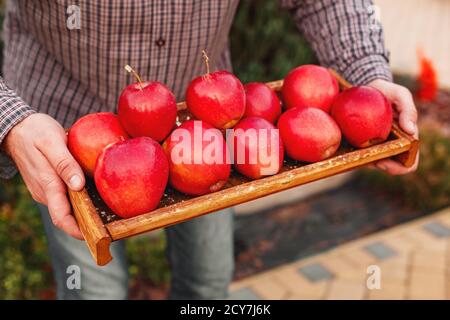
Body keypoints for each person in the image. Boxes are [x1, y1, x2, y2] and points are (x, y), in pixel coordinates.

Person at [0, 0, 418, 299]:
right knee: (94, 291)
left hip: (208, 134)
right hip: (62, 132)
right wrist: (10, 120)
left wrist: (367, 72)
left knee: (208, 285)